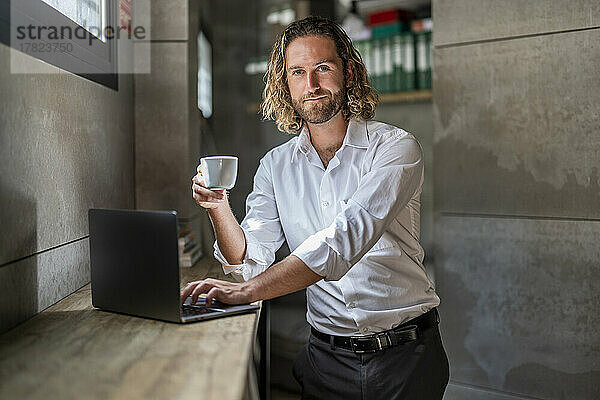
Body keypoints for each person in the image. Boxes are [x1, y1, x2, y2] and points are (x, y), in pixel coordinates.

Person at [182, 15, 449, 400]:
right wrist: (219, 208)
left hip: (406, 357)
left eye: (323, 68)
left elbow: (344, 241)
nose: (311, 85)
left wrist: (248, 292)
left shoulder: (395, 148)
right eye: (297, 73)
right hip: (325, 361)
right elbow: (248, 259)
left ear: (350, 73)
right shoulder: (275, 167)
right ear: (285, 84)